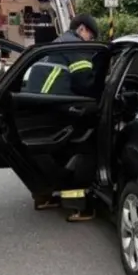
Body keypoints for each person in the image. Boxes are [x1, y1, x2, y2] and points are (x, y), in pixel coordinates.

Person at [23, 14, 100, 222]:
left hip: (33, 106)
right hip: (56, 107)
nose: (90, 41)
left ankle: (43, 196)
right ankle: (77, 206)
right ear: (82, 29)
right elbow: (84, 82)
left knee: (46, 153)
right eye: (91, 36)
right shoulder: (76, 46)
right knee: (80, 149)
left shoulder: (57, 44)